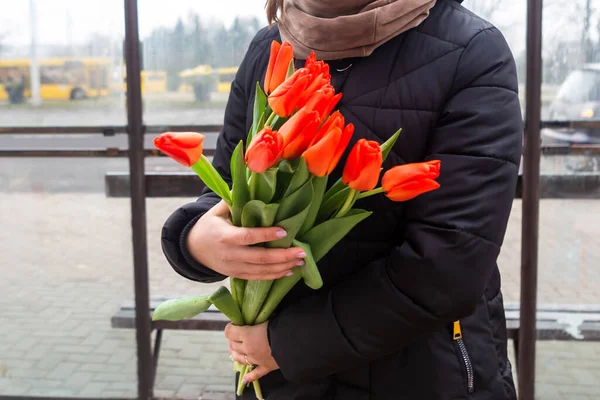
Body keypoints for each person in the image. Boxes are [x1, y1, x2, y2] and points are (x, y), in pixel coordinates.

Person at [160, 0, 523, 398]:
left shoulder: (471, 50)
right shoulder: (271, 45)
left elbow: (450, 264)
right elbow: (227, 188)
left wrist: (287, 344)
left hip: (420, 374)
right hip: (283, 381)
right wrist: (196, 240)